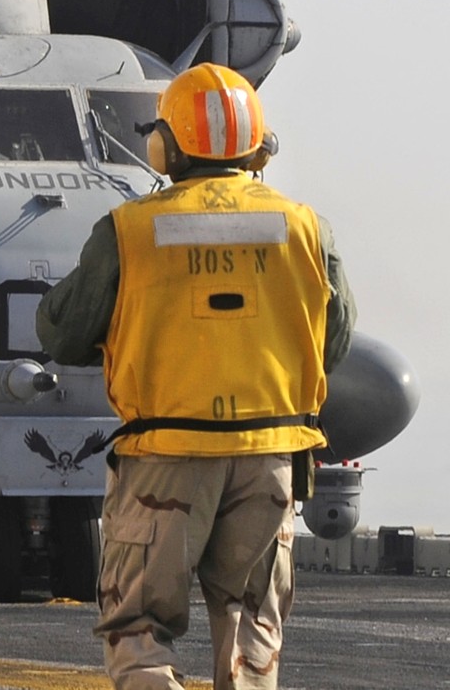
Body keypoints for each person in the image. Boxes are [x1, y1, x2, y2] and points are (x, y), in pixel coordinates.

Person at [36, 62, 353, 690]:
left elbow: (61, 332)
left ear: (166, 146)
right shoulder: (307, 229)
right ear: (258, 145)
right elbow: (334, 342)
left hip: (165, 457)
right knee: (252, 635)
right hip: (271, 459)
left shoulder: (128, 230)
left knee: (140, 629)